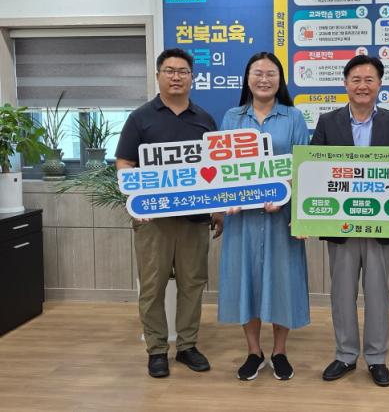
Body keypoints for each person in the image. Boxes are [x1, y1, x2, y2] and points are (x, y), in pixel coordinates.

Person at [116, 48, 223, 378]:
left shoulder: (205, 119)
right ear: (158, 75)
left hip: (195, 220)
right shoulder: (140, 118)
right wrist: (137, 200)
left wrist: (218, 210)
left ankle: (187, 346)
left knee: (193, 284)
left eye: (183, 71)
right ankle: (157, 350)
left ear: (192, 78)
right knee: (152, 287)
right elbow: (125, 163)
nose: (176, 77)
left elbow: (217, 169)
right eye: (170, 71)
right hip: (154, 221)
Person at [311, 54, 389, 387]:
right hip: (340, 225)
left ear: (379, 84)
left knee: (378, 293)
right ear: (345, 84)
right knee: (341, 293)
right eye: (356, 79)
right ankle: (346, 355)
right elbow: (314, 170)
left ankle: (377, 358)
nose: (362, 86)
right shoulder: (328, 122)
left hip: (382, 225)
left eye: (369, 80)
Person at [217, 52, 310, 381]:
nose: (264, 79)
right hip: (242, 219)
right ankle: (254, 352)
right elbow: (222, 167)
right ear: (247, 78)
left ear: (280, 80)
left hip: (280, 218)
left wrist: (283, 196)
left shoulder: (293, 117)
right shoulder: (232, 117)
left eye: (271, 73)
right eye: (257, 73)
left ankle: (279, 351)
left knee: (282, 281)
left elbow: (302, 166)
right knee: (247, 281)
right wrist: (229, 198)